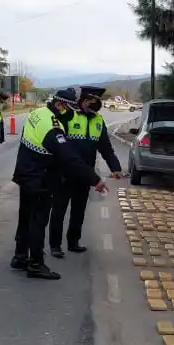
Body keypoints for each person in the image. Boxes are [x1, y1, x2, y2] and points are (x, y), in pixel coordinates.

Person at [11, 87, 107, 280]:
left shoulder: (38, 113)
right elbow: (70, 158)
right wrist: (94, 179)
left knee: (25, 217)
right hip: (40, 178)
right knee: (38, 221)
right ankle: (36, 264)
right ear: (58, 104)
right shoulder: (52, 127)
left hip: (25, 173)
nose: (71, 113)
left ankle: (20, 257)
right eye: (68, 108)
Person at [49, 85, 124, 257]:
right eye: (92, 101)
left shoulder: (98, 121)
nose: (95, 105)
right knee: (59, 209)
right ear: (83, 101)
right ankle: (55, 245)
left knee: (79, 209)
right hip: (64, 172)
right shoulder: (68, 116)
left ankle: (73, 241)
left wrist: (116, 168)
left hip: (86, 174)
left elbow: (106, 148)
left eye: (97, 102)